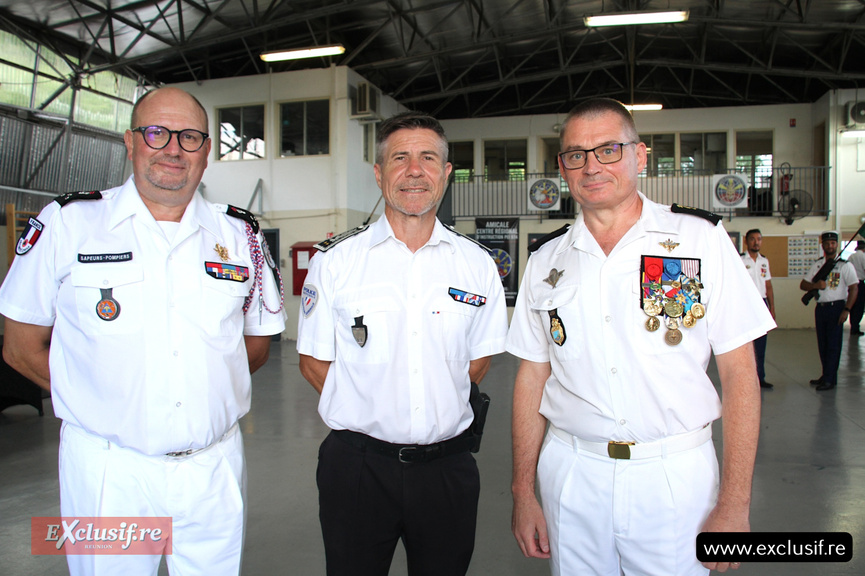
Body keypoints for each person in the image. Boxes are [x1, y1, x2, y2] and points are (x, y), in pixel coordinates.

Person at [0, 87, 286, 575]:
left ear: (207, 153)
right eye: (157, 133)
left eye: (190, 137)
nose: (173, 148)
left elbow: (254, 346)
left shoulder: (241, 236)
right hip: (111, 469)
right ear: (130, 142)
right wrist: (104, 402)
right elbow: (21, 347)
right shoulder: (69, 224)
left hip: (211, 466)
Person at [507, 98, 775, 576]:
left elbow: (740, 375)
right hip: (572, 472)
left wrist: (735, 504)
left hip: (674, 477)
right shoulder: (547, 260)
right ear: (563, 167)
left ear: (640, 155)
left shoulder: (698, 239)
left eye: (608, 149)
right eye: (576, 154)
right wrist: (523, 491)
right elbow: (531, 378)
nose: (592, 165)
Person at [296, 111, 507, 576]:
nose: (415, 170)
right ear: (379, 173)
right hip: (356, 469)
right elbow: (313, 361)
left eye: (428, 157)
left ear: (446, 173)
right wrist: (374, 407)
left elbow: (478, 360)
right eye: (400, 158)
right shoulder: (336, 262)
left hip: (447, 470)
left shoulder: (476, 265)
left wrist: (427, 404)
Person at [800, 231, 858, 391]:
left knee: (833, 345)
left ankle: (830, 380)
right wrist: (815, 286)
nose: (830, 246)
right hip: (821, 309)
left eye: (833, 243)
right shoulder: (818, 265)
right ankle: (826, 375)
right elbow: (803, 285)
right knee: (823, 344)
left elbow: (854, 288)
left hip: (837, 308)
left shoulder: (845, 266)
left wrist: (847, 309)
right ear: (823, 245)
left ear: (836, 245)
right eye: (827, 243)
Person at [741, 229, 776, 389]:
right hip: (747, 304)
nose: (756, 242)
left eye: (759, 239)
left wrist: (772, 309)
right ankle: (747, 379)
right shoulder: (740, 260)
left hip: (762, 303)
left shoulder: (764, 261)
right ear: (746, 241)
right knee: (746, 344)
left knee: (761, 344)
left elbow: (768, 285)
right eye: (753, 239)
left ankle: (760, 377)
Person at [847, 240, 865, 336]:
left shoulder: (851, 257)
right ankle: (855, 328)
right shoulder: (863, 256)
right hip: (860, 283)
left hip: (851, 284)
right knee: (859, 306)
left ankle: (852, 326)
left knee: (852, 305)